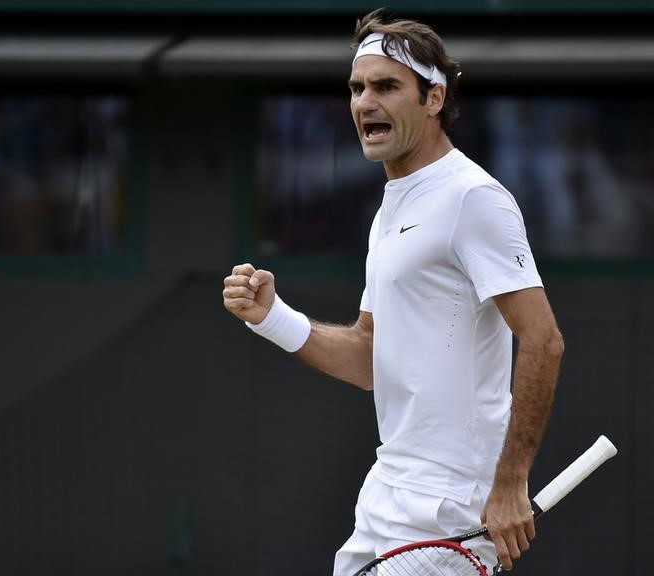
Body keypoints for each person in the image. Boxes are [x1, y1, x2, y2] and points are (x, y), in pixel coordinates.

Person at [223, 9, 563, 575]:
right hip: (387, 494)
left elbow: (543, 339)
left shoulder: (472, 197)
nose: (365, 103)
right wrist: (270, 316)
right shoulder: (391, 208)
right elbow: (370, 354)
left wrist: (509, 485)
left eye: (386, 86)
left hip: (450, 506)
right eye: (357, 88)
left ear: (434, 98)